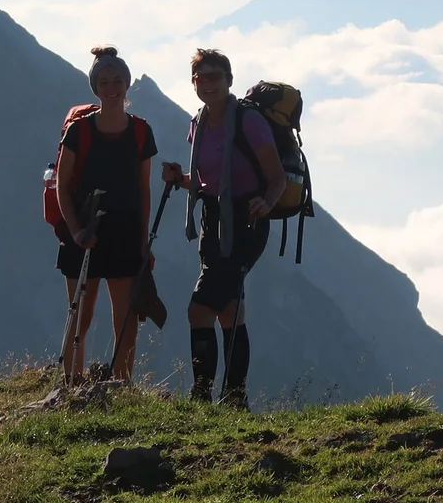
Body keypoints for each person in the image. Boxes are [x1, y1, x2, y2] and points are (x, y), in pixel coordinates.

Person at [159, 48, 285, 406]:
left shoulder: (249, 121)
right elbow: (207, 182)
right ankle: (233, 399)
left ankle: (203, 396)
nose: (208, 83)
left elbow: (275, 177)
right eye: (201, 77)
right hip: (213, 220)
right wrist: (179, 179)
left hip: (246, 221)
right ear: (194, 83)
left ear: (230, 80)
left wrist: (267, 202)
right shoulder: (198, 123)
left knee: (198, 309)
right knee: (229, 309)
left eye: (216, 76)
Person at [56, 46, 158, 383]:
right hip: (86, 230)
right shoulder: (79, 131)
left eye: (117, 80)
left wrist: (143, 242)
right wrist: (75, 231)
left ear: (127, 84)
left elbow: (144, 189)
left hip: (125, 232)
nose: (111, 87)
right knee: (80, 317)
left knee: (125, 317)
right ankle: (73, 386)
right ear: (95, 87)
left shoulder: (142, 132)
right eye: (104, 81)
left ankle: (120, 385)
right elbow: (61, 184)